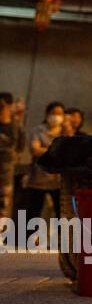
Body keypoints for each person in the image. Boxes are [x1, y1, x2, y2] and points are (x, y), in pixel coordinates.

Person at [20, 102, 65, 223]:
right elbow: (35, 150)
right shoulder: (38, 130)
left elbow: (68, 151)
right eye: (53, 113)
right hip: (38, 177)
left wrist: (46, 149)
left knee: (60, 212)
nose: (56, 116)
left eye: (60, 114)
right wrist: (56, 150)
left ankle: (60, 238)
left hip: (58, 179)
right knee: (34, 210)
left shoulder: (65, 131)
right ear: (47, 114)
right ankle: (28, 237)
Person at [0, 93, 25, 221]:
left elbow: (20, 148)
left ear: (9, 106)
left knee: (4, 203)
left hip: (6, 172)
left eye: (2, 106)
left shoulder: (16, 127)